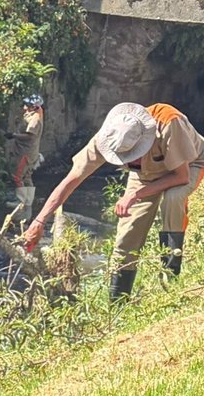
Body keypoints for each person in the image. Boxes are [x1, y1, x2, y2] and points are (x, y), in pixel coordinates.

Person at [22, 102, 204, 300]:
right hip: (145, 174)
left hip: (190, 163)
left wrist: (135, 195)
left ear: (145, 142)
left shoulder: (169, 123)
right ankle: (117, 304)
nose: (126, 162)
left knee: (173, 197)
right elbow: (71, 180)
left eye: (132, 156)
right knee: (127, 235)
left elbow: (181, 177)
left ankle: (170, 283)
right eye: (123, 159)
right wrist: (39, 221)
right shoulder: (109, 137)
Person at [6, 94, 45, 213]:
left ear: (34, 107)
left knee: (17, 176)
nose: (24, 107)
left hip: (25, 153)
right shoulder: (36, 112)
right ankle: (28, 201)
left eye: (27, 105)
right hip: (31, 152)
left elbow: (29, 136)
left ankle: (21, 201)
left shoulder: (35, 119)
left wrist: (13, 135)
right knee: (27, 176)